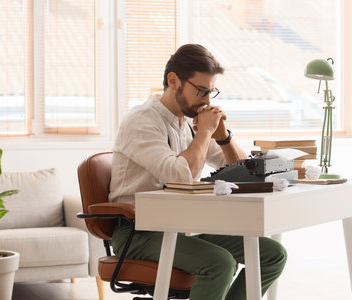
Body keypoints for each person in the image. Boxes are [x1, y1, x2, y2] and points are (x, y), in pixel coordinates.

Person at [109, 44, 287, 300]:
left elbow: (247, 171)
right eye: (201, 91)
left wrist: (223, 137)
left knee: (272, 254)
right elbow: (180, 176)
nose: (206, 101)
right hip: (139, 232)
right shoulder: (142, 121)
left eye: (210, 92)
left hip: (183, 225)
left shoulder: (187, 122)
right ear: (173, 81)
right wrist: (204, 132)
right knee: (220, 263)